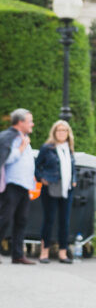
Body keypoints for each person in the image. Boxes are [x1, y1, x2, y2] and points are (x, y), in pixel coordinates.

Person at [35, 120, 77, 264]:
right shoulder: (47, 148)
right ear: (54, 132)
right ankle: (44, 252)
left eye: (64, 130)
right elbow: (36, 166)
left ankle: (63, 253)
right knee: (49, 220)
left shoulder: (69, 148)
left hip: (67, 189)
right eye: (59, 130)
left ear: (68, 133)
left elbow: (73, 167)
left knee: (64, 222)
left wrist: (74, 179)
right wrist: (41, 178)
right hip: (50, 188)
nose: (61, 133)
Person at [0, 108, 36, 264]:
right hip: (11, 184)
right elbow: (5, 159)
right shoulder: (9, 137)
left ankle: (18, 255)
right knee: (4, 219)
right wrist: (21, 148)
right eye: (30, 121)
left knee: (21, 220)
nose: (32, 124)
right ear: (20, 122)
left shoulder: (24, 137)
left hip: (24, 185)